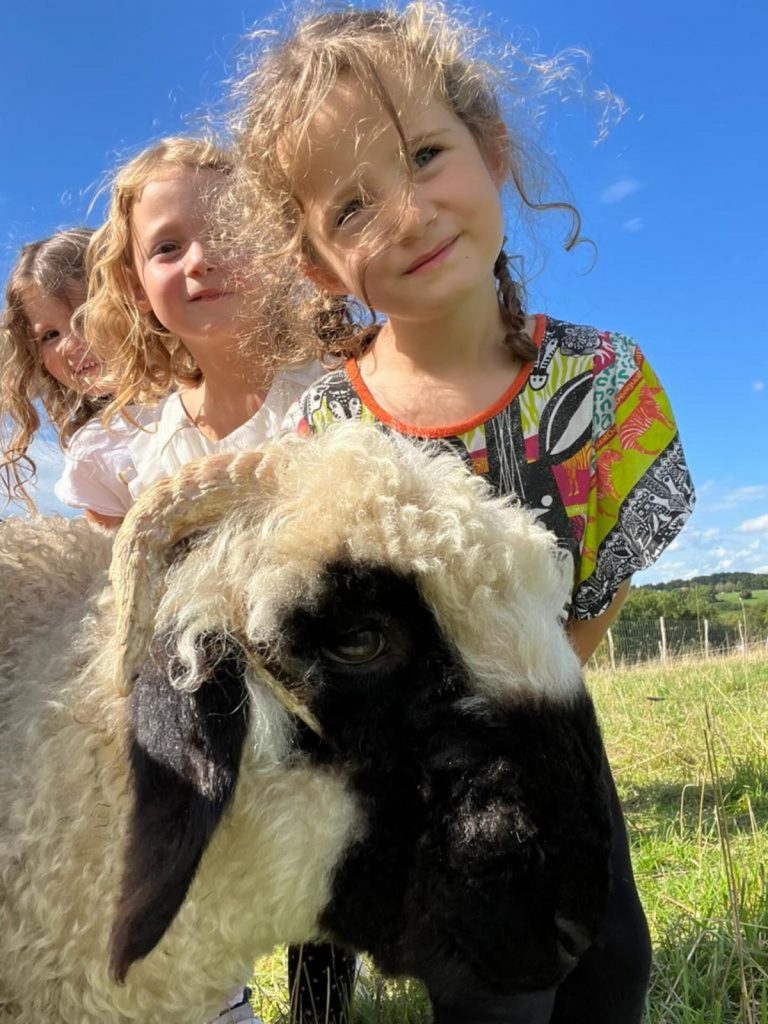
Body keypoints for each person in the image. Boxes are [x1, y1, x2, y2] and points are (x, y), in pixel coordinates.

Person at [231, 4, 696, 1022]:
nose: (405, 213)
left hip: (562, 745)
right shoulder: (331, 429)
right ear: (316, 263)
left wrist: (534, 691)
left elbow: (602, 580)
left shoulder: (602, 382)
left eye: (425, 154)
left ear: (491, 153)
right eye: (350, 208)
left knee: (610, 972)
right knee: (493, 996)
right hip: (426, 795)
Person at [82, 134, 350, 1024]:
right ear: (135, 288)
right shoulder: (147, 458)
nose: (200, 261)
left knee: (332, 906)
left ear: (279, 239)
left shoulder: (340, 396)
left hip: (340, 701)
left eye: (225, 228)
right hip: (220, 723)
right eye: (166, 247)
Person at [0, 228, 137, 526]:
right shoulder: (95, 450)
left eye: (85, 318)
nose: (70, 344)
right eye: (50, 335)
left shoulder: (211, 385)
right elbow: (116, 557)